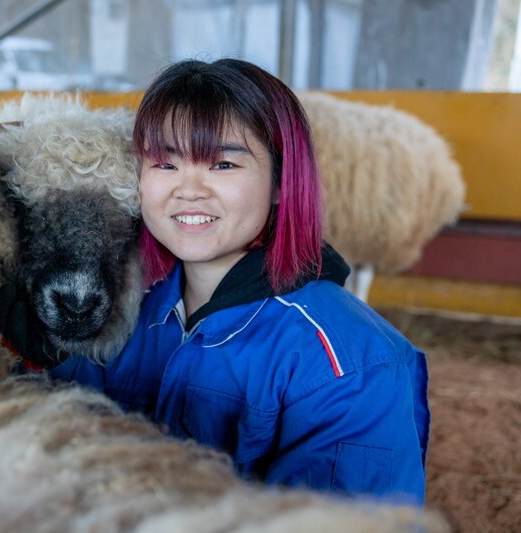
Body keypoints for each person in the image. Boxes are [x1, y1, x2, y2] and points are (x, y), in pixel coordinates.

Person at [39, 58, 429, 506]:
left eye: (222, 164)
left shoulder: (349, 364)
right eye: (165, 164)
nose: (189, 190)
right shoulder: (118, 316)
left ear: (282, 181)